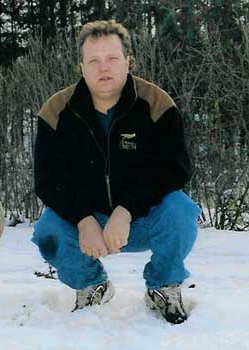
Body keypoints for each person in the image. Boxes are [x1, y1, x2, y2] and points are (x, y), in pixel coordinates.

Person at [31, 20, 201, 324]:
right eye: (93, 60)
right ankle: (92, 284)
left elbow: (174, 169)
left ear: (128, 61)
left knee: (181, 210)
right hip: (88, 225)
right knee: (48, 231)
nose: (103, 68)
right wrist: (83, 221)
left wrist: (125, 211)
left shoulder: (157, 104)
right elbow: (48, 180)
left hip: (142, 219)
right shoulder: (56, 111)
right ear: (81, 66)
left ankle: (162, 286)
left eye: (112, 58)